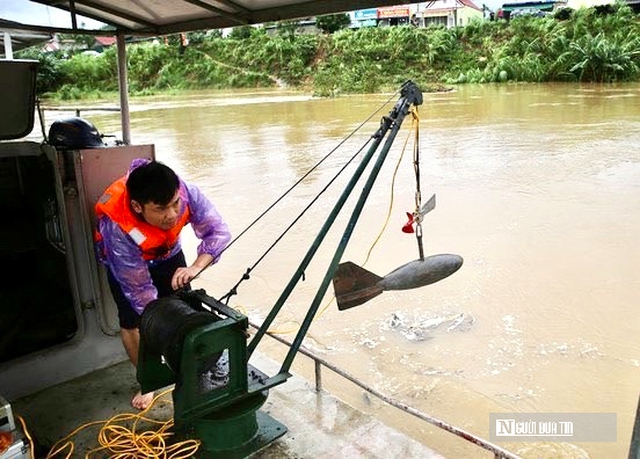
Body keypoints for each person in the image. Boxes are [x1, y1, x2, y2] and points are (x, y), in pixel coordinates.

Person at [94, 158, 231, 410]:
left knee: (185, 309)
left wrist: (195, 267)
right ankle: (148, 381)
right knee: (134, 322)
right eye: (161, 209)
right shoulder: (118, 228)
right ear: (137, 206)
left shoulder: (186, 191)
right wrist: (162, 325)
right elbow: (141, 293)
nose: (172, 215)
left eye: (175, 204)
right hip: (126, 262)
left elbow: (218, 232)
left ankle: (190, 367)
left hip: (167, 253)